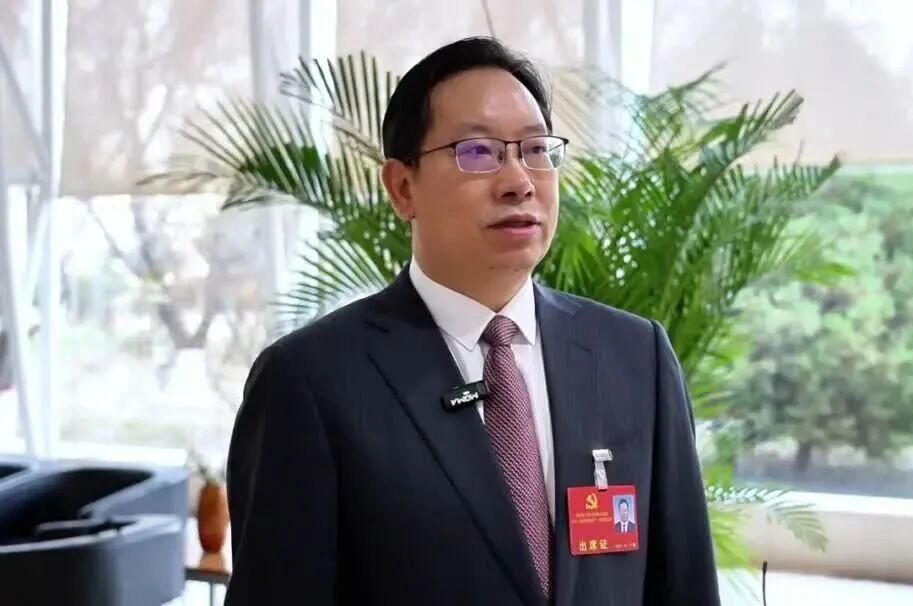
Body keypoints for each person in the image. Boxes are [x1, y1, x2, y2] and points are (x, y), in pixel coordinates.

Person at [224, 36, 719, 606]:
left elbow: (684, 586)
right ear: (402, 187)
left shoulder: (635, 356)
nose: (519, 181)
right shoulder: (310, 381)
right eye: (478, 152)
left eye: (536, 150)